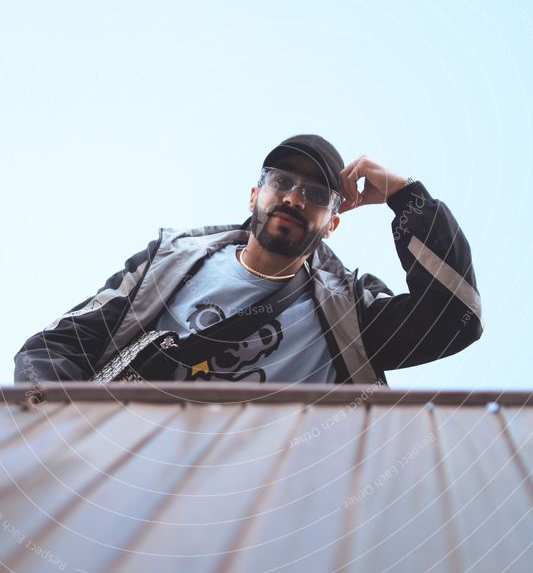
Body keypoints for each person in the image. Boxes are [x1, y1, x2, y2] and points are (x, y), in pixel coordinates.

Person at [14, 135, 482, 386]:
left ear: (333, 221)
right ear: (256, 194)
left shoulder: (350, 307)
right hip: (130, 492)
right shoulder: (170, 262)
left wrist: (408, 198)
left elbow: (455, 318)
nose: (295, 198)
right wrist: (56, 426)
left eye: (317, 195)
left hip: (272, 527)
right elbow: (58, 346)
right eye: (282, 182)